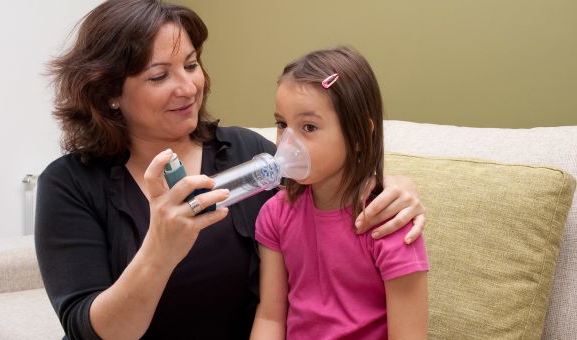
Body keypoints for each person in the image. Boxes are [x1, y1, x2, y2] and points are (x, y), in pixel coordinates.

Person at [34, 1, 426, 339]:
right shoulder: (69, 185)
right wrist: (159, 251)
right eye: (159, 75)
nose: (187, 87)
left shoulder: (247, 154)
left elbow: (326, 179)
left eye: (191, 65)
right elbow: (89, 331)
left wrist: (391, 184)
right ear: (109, 94)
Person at [251, 47, 429, 339]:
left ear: (359, 135)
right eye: (282, 124)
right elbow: (271, 317)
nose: (288, 142)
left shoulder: (389, 223)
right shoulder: (275, 214)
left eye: (308, 126)